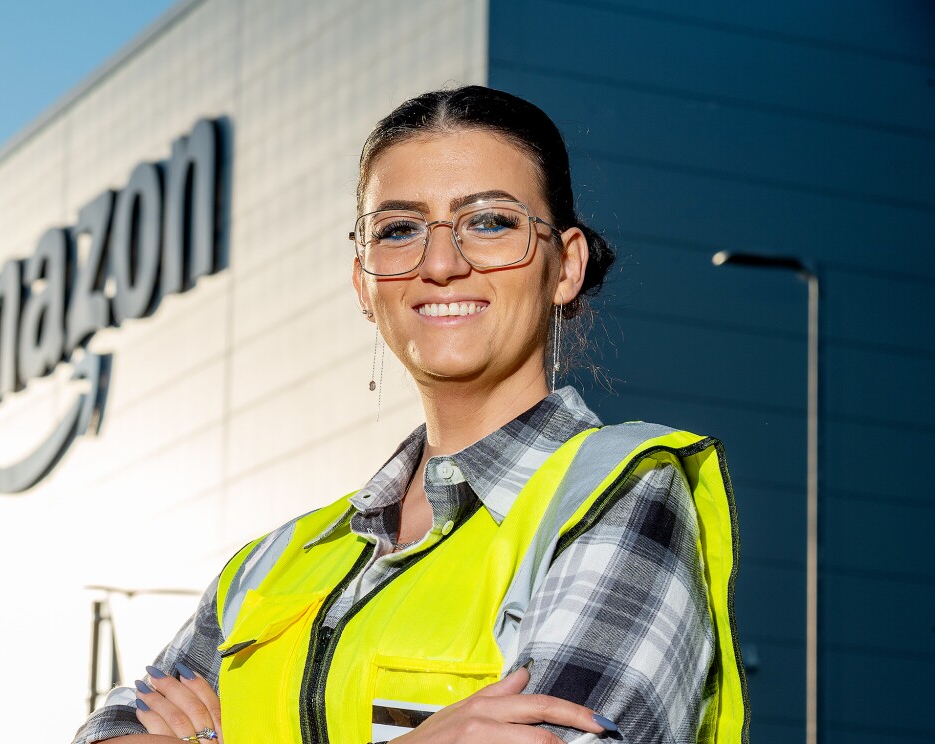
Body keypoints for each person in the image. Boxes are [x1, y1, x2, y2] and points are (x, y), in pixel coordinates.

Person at [72, 86, 747, 744]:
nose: (441, 262)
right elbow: (110, 730)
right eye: (399, 230)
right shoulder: (272, 565)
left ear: (565, 266)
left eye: (490, 221)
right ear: (364, 280)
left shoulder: (621, 497)